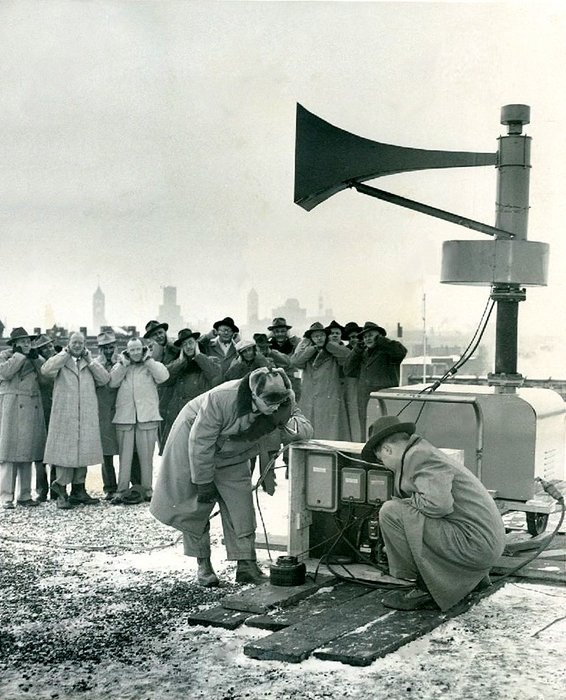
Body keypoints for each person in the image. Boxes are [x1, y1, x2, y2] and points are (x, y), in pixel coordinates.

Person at [150, 368, 313, 587]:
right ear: (254, 395)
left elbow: (305, 428)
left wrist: (286, 422)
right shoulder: (221, 398)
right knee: (195, 506)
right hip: (192, 441)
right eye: (269, 402)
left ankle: (246, 565)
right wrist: (204, 481)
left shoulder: (283, 398)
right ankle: (204, 565)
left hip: (235, 449)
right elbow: (200, 443)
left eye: (280, 402)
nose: (275, 407)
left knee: (240, 503)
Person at [361, 415, 506, 611]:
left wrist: (403, 506)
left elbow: (438, 506)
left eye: (382, 460)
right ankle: (469, 580)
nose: (385, 464)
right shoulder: (423, 451)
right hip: (482, 544)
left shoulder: (419, 457)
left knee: (391, 511)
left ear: (387, 450)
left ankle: (425, 587)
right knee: (402, 511)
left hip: (476, 546)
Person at [41, 332, 109, 509]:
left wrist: (90, 359)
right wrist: (64, 354)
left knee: (83, 450)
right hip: (65, 414)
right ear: (68, 344)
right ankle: (61, 489)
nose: (77, 345)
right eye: (74, 342)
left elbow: (104, 379)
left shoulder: (90, 362)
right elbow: (46, 370)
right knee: (65, 453)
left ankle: (79, 490)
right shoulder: (61, 361)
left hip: (85, 414)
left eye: (81, 343)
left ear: (85, 345)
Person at [109, 338, 169, 503]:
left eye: (138, 349)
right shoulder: (121, 366)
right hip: (125, 417)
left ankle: (148, 490)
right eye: (132, 350)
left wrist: (148, 360)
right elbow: (112, 382)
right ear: (127, 351)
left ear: (143, 350)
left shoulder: (152, 365)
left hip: (147, 416)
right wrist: (123, 365)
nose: (135, 353)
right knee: (124, 458)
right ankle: (121, 491)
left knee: (146, 457)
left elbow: (164, 376)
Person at [0, 328, 46, 508]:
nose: (27, 344)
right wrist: (20, 356)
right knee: (9, 453)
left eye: (29, 341)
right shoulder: (5, 355)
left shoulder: (34, 357)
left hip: (31, 405)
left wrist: (36, 359)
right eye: (23, 341)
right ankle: (5, 496)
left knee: (27, 452)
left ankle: (25, 495)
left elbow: (46, 376)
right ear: (14, 344)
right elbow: (6, 373)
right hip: (11, 406)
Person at [343, 321, 407, 438]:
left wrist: (381, 341)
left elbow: (401, 352)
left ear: (380, 336)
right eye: (365, 337)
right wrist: (356, 350)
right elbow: (347, 370)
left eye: (371, 335)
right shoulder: (363, 354)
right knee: (367, 433)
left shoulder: (388, 351)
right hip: (365, 400)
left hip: (383, 399)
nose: (367, 339)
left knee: (385, 433)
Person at [161, 328, 222, 447]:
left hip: (199, 413)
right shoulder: (177, 364)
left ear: (197, 344)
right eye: (184, 344)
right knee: (178, 452)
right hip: (178, 414)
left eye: (190, 343)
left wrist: (199, 355)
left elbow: (215, 375)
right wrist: (180, 361)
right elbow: (165, 379)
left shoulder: (210, 360)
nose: (188, 347)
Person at [291, 321, 350, 440]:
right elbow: (295, 362)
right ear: (311, 338)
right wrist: (312, 349)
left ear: (326, 336)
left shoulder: (334, 350)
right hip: (311, 397)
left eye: (321, 335)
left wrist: (327, 345)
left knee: (330, 431)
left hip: (329, 397)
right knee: (311, 429)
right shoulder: (307, 352)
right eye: (315, 336)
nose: (319, 338)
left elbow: (347, 356)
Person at [143, 320, 180, 452]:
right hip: (160, 397)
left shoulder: (176, 347)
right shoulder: (150, 354)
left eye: (160, 332)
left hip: (176, 394)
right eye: (155, 335)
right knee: (163, 435)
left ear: (165, 332)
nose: (159, 336)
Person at [93, 331, 120, 500]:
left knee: (127, 450)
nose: (109, 351)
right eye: (105, 348)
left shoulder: (122, 361)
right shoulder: (96, 364)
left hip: (120, 408)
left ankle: (129, 484)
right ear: (100, 349)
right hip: (103, 410)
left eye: (111, 347)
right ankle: (109, 486)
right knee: (106, 453)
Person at [31, 333, 57, 501]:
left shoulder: (59, 361)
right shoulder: (35, 362)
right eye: (44, 348)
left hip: (56, 409)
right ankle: (42, 488)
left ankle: (56, 488)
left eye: (50, 346)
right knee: (39, 452)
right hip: (39, 409)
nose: (49, 349)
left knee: (56, 450)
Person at [267, 317, 301, 400]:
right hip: (275, 381)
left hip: (292, 380)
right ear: (273, 333)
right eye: (276, 332)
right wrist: (267, 338)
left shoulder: (293, 344)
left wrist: (292, 337)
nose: (280, 334)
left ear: (287, 332)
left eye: (283, 331)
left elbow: (302, 346)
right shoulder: (269, 346)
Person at [342, 322, 363, 442]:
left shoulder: (364, 350)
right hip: (348, 387)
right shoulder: (345, 351)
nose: (353, 340)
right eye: (351, 338)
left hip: (358, 386)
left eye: (356, 336)